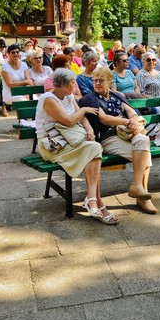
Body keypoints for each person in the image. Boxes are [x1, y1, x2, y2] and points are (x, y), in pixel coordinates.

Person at [35, 69, 116, 224]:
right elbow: (69, 121)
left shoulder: (69, 95)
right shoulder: (48, 99)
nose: (75, 86)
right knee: (94, 150)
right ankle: (96, 201)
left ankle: (92, 199)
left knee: (94, 148)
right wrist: (84, 109)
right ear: (62, 84)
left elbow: (81, 116)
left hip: (70, 140)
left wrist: (89, 130)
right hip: (52, 146)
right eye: (72, 83)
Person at [79, 67, 157, 214]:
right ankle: (142, 197)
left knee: (143, 140)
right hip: (108, 137)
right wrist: (128, 122)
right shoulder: (90, 99)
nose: (97, 83)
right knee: (144, 155)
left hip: (127, 134)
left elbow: (131, 112)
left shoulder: (116, 96)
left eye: (101, 80)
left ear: (110, 82)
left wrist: (134, 121)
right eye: (95, 81)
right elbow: (104, 119)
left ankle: (137, 186)